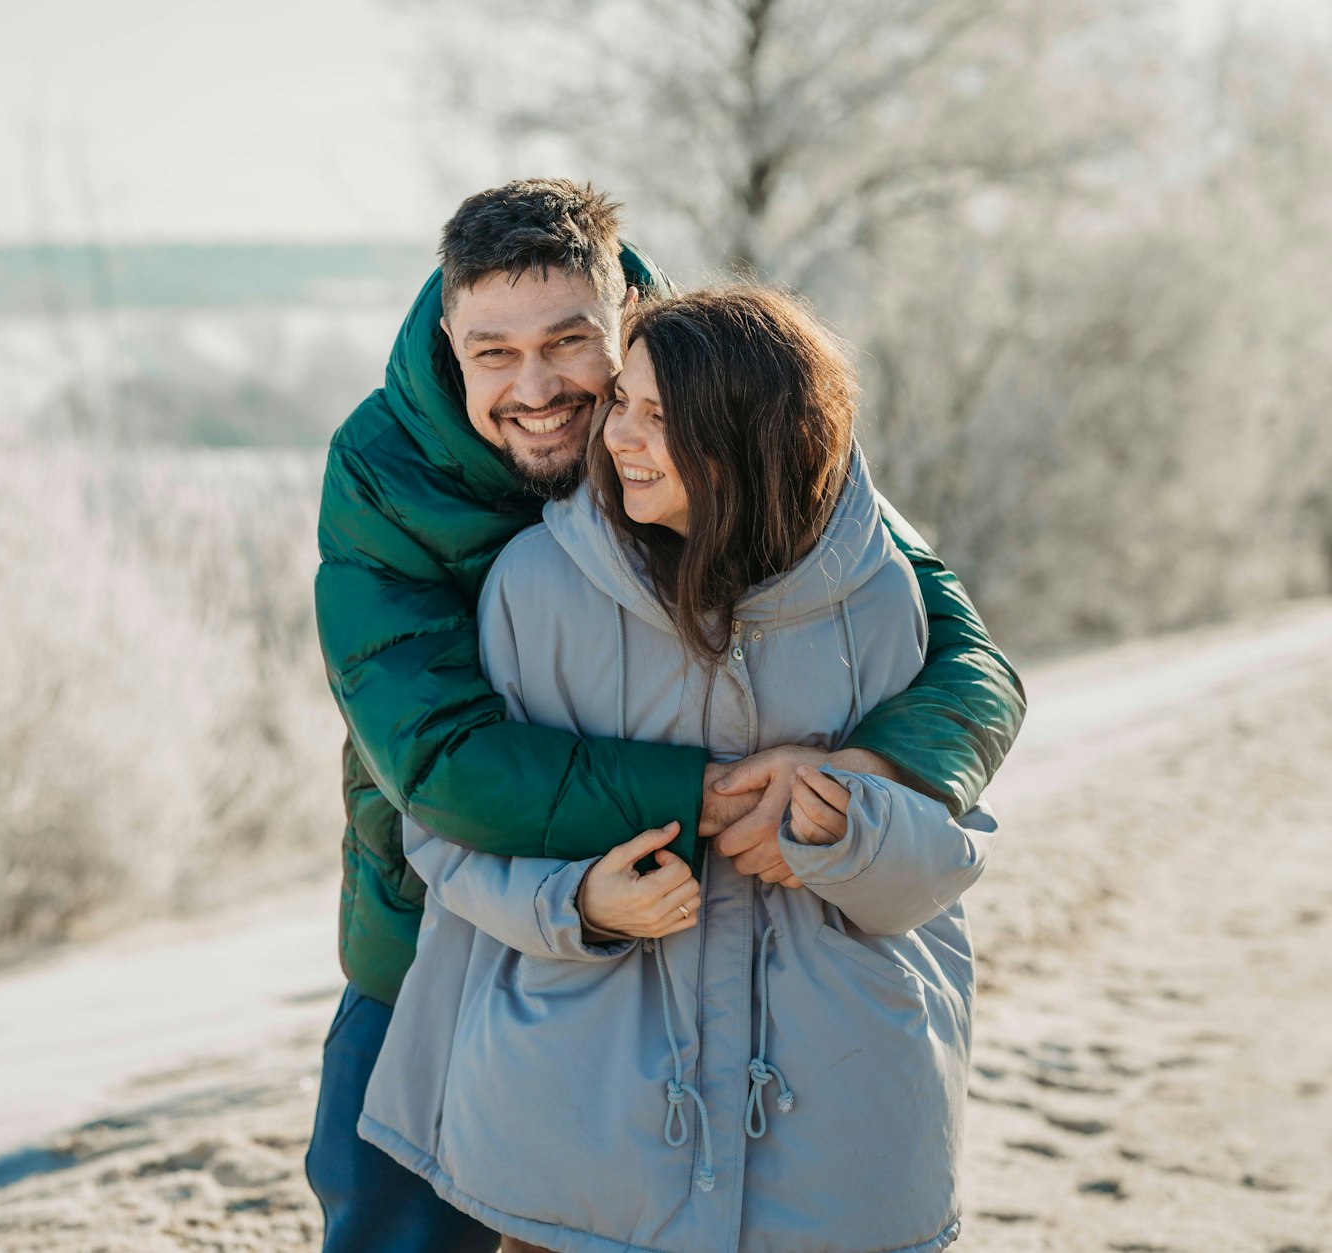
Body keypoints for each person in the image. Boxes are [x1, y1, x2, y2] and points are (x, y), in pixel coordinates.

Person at [307, 179, 1024, 1253]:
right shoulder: (384, 471)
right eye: (492, 353)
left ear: (625, 326)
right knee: (391, 1215)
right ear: (450, 339)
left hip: (715, 954)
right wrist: (718, 793)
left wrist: (865, 766)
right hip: (435, 911)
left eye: (570, 344)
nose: (538, 387)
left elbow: (966, 657)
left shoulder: (713, 404)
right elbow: (445, 765)